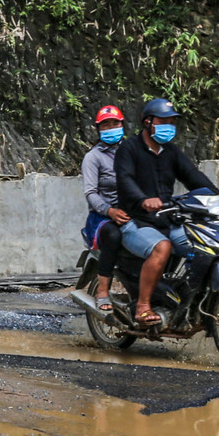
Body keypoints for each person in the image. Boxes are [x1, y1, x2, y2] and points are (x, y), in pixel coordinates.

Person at [113, 97, 219, 326]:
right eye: (164, 121)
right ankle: (143, 306)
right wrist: (143, 200)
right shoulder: (128, 149)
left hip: (167, 220)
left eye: (172, 122)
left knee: (203, 247)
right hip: (135, 222)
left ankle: (184, 299)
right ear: (147, 122)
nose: (168, 126)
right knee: (162, 247)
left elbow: (194, 177)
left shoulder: (171, 151)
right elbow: (125, 180)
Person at [81, 105, 131, 303]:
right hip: (102, 218)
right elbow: (91, 193)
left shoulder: (131, 151)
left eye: (115, 123)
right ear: (98, 129)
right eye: (106, 125)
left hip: (131, 212)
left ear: (122, 124)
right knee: (113, 235)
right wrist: (110, 211)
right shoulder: (92, 157)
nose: (111, 128)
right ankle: (102, 291)